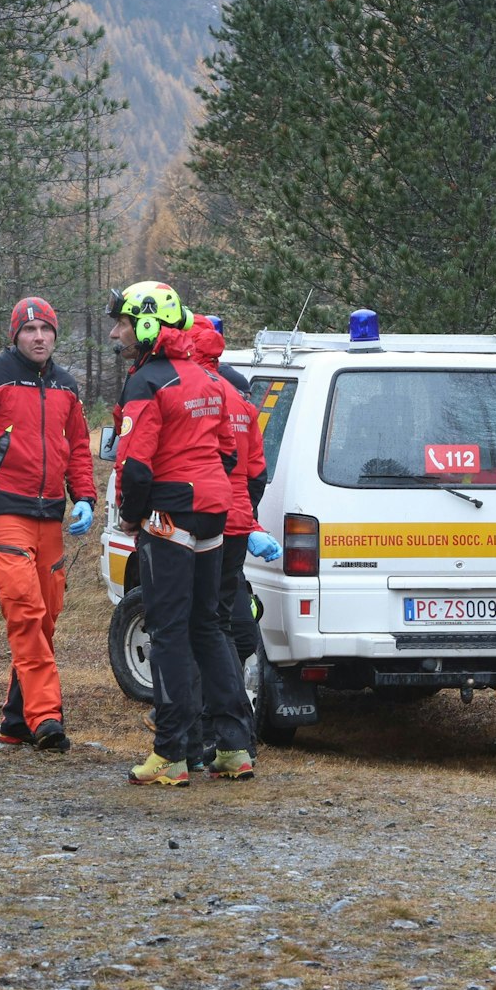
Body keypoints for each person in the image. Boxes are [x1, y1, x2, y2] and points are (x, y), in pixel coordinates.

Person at [0, 297, 98, 752]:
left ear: (55, 334)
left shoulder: (66, 385)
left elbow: (78, 446)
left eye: (46, 330)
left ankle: (16, 719)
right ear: (15, 335)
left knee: (46, 617)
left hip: (49, 514)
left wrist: (84, 496)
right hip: (3, 511)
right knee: (26, 613)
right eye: (29, 330)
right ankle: (47, 716)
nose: (39, 337)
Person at [110, 281, 248, 787]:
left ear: (147, 324)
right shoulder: (208, 377)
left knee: (167, 630)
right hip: (213, 509)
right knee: (208, 626)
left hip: (170, 512)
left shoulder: (146, 381)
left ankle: (171, 753)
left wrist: (131, 514)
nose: (116, 333)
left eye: (122, 323)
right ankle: (233, 747)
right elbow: (228, 452)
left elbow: (136, 465)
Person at [189, 318, 281, 776]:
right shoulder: (241, 401)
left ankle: (212, 735)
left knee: (201, 630)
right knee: (225, 627)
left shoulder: (190, 393)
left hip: (198, 524)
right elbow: (255, 472)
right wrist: (247, 518)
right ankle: (230, 736)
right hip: (236, 524)